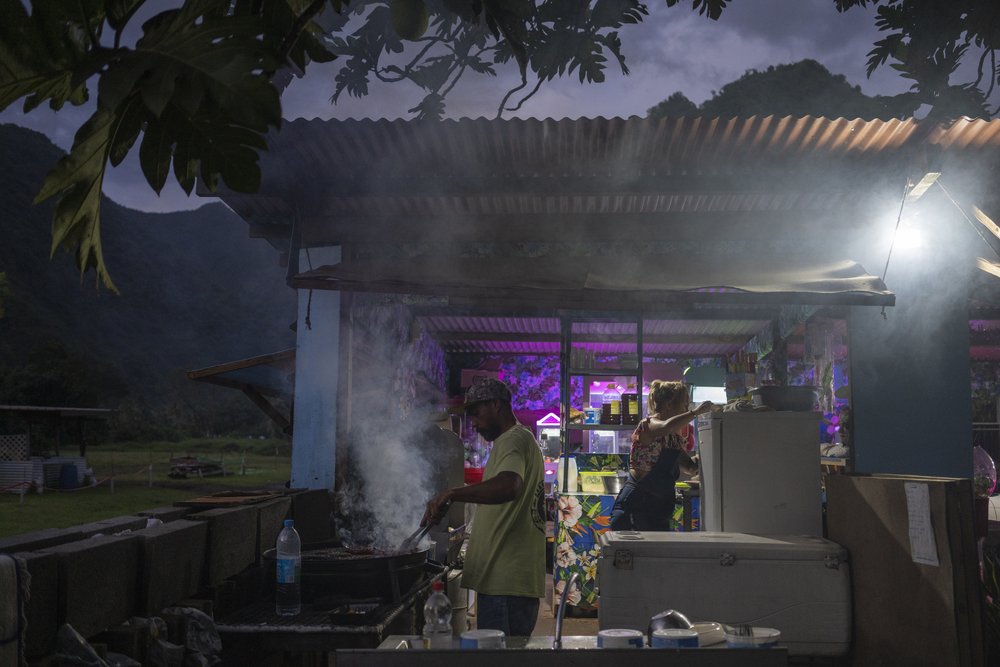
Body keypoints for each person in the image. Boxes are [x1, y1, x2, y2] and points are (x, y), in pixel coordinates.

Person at [422, 377, 545, 637]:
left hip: (504, 583)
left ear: (496, 405)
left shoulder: (512, 439)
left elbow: (509, 486)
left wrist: (453, 493)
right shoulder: (522, 439)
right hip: (511, 581)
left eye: (476, 413)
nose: (474, 423)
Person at [610, 380, 712, 531]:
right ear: (669, 404)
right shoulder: (648, 425)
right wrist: (696, 412)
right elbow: (666, 426)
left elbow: (691, 467)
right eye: (684, 405)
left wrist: (711, 448)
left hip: (658, 512)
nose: (686, 409)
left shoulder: (673, 439)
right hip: (636, 508)